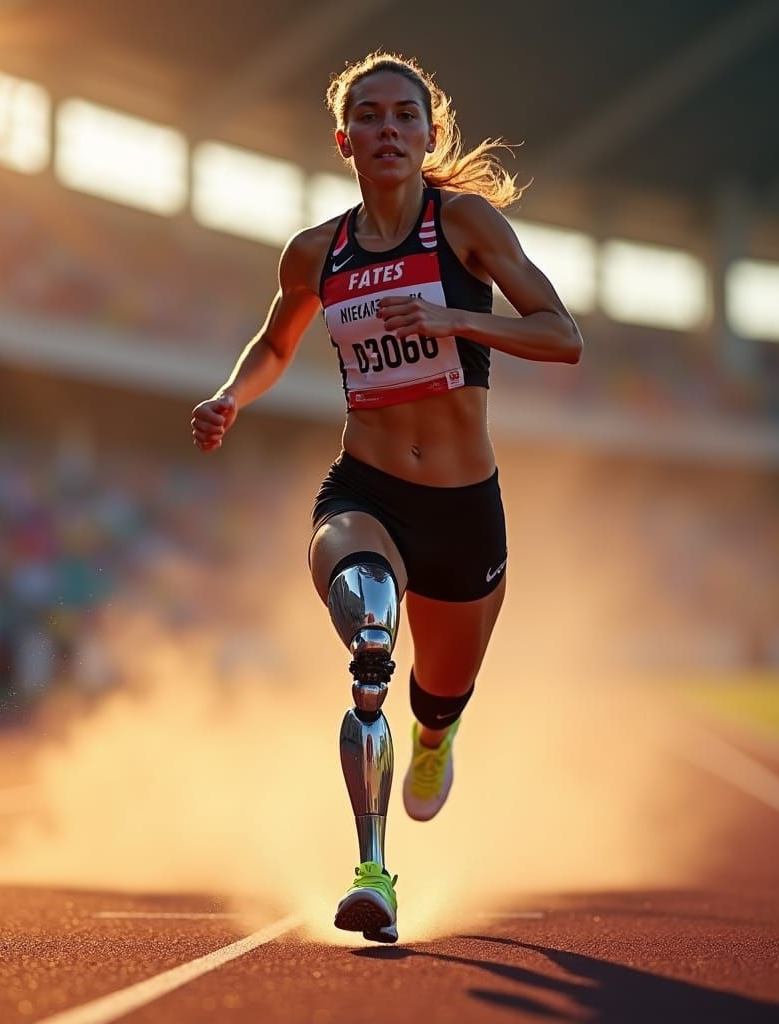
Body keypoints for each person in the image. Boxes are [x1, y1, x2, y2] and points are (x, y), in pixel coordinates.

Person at [191, 51, 582, 943]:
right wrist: (230, 397)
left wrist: (453, 318)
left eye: (405, 115)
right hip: (363, 488)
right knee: (372, 636)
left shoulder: (465, 226)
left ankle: (437, 733)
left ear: (429, 133)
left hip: (462, 510)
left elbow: (562, 336)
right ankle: (373, 874)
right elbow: (274, 344)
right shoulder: (314, 252)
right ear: (344, 140)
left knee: (437, 692)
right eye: (369, 116)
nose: (388, 129)